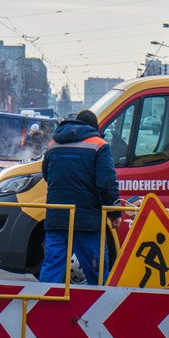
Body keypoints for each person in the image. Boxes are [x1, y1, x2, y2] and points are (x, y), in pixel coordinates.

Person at [39, 109, 119, 285]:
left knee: (52, 268)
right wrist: (114, 212)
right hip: (87, 221)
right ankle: (99, 309)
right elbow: (106, 183)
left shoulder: (54, 144)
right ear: (94, 127)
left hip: (57, 219)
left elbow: (46, 175)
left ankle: (42, 307)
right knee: (96, 273)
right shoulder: (99, 145)